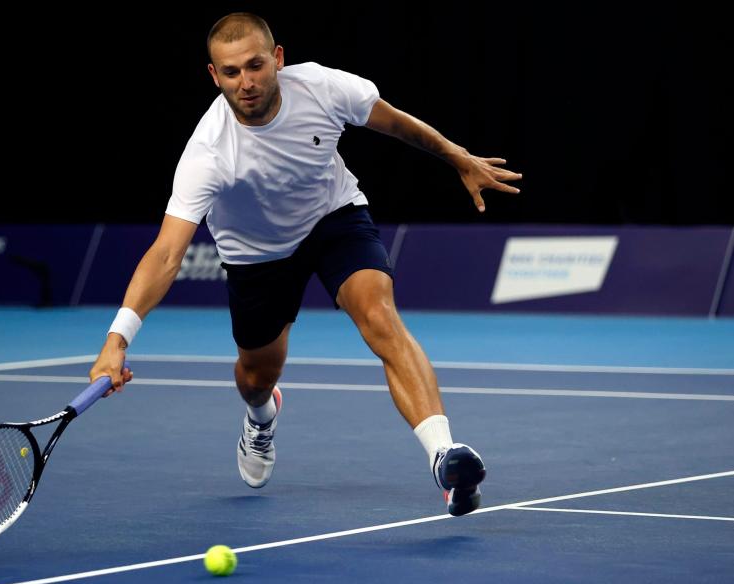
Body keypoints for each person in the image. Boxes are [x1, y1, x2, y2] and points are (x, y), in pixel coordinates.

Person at [90, 12, 522, 516]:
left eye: (255, 66)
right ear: (214, 75)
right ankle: (261, 417)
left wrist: (457, 157)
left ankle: (444, 456)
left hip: (333, 219)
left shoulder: (321, 88)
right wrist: (115, 340)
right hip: (256, 255)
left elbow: (397, 124)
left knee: (380, 318)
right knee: (256, 376)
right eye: (231, 72)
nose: (246, 82)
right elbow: (166, 254)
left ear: (277, 59)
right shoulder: (208, 152)